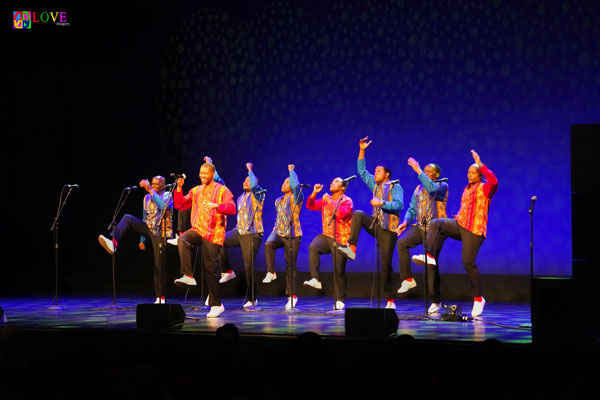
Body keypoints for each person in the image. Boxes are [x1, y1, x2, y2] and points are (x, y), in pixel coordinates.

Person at [413, 150, 498, 317]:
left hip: (474, 229)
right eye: (468, 172)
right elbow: (467, 207)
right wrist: (459, 215)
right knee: (437, 223)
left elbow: (494, 181)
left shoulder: (485, 188)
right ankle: (430, 255)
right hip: (461, 225)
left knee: (467, 263)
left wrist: (480, 163)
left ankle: (478, 298)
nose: (469, 174)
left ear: (480, 174)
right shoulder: (467, 189)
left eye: (473, 172)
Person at [338, 137, 404, 309]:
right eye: (375, 171)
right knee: (359, 214)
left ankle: (390, 299)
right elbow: (361, 170)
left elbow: (400, 205)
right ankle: (352, 248)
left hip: (388, 229)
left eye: (378, 171)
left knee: (385, 265)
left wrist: (381, 203)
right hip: (376, 225)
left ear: (387, 174)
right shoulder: (375, 186)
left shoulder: (395, 186)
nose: (375, 173)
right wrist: (362, 150)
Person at [173, 159, 236, 318]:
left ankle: (217, 304)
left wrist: (217, 206)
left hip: (213, 232)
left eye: (205, 173)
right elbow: (180, 204)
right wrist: (179, 188)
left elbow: (232, 208)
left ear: (213, 174)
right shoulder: (196, 190)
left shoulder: (222, 190)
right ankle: (188, 275)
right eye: (200, 173)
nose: (202, 175)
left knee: (210, 268)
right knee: (183, 239)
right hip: (198, 229)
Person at [98, 176, 173, 304]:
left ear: (163, 185)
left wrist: (149, 189)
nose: (154, 186)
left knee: (158, 266)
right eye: (152, 184)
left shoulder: (167, 195)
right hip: (149, 229)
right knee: (127, 218)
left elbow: (162, 206)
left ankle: (161, 297)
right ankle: (113, 243)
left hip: (162, 233)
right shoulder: (146, 198)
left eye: (157, 184)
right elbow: (145, 218)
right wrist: (142, 240)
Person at [395, 158, 448, 313]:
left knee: (431, 265)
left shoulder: (442, 185)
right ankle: (407, 279)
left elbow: (431, 189)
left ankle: (435, 301)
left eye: (429, 171)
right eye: (424, 171)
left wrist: (417, 169)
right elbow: (412, 208)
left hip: (435, 229)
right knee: (402, 242)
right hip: (419, 227)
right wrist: (405, 222)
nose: (426, 173)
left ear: (437, 174)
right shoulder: (418, 189)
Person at [218, 162, 266, 308]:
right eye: (244, 180)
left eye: (248, 180)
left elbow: (254, 185)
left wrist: (250, 169)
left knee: (248, 266)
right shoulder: (240, 197)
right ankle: (227, 270)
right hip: (239, 231)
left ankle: (253, 298)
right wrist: (211, 166)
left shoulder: (259, 194)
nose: (245, 182)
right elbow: (221, 186)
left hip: (252, 233)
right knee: (218, 238)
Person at [305, 177, 354, 310]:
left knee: (339, 271)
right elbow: (310, 205)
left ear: (343, 187)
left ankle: (340, 299)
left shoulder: (346, 200)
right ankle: (316, 279)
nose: (332, 183)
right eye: (332, 181)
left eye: (336, 182)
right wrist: (314, 193)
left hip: (341, 239)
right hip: (327, 236)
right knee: (313, 246)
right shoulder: (326, 200)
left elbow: (340, 215)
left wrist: (329, 201)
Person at [263, 164, 304, 310]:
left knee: (290, 266)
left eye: (287, 182)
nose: (284, 184)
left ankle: (292, 296)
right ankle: (271, 272)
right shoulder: (277, 200)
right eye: (284, 182)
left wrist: (291, 171)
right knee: (268, 244)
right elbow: (279, 218)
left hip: (293, 235)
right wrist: (274, 230)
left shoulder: (297, 197)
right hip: (279, 232)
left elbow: (296, 186)